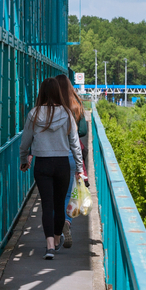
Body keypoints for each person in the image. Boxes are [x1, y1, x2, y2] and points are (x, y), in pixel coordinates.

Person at [19, 78, 86, 260]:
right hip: (62, 163)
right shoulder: (67, 113)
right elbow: (75, 143)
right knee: (59, 204)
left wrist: (24, 160)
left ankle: (49, 246)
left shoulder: (33, 114)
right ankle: (57, 240)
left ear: (42, 92)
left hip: (42, 164)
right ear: (57, 92)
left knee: (47, 205)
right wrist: (79, 167)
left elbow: (25, 141)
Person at [54, 74, 89, 248]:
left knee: (54, 195)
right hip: (71, 154)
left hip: (53, 154)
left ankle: (55, 230)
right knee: (68, 194)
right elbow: (83, 131)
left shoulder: (50, 107)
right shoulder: (76, 105)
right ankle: (67, 222)